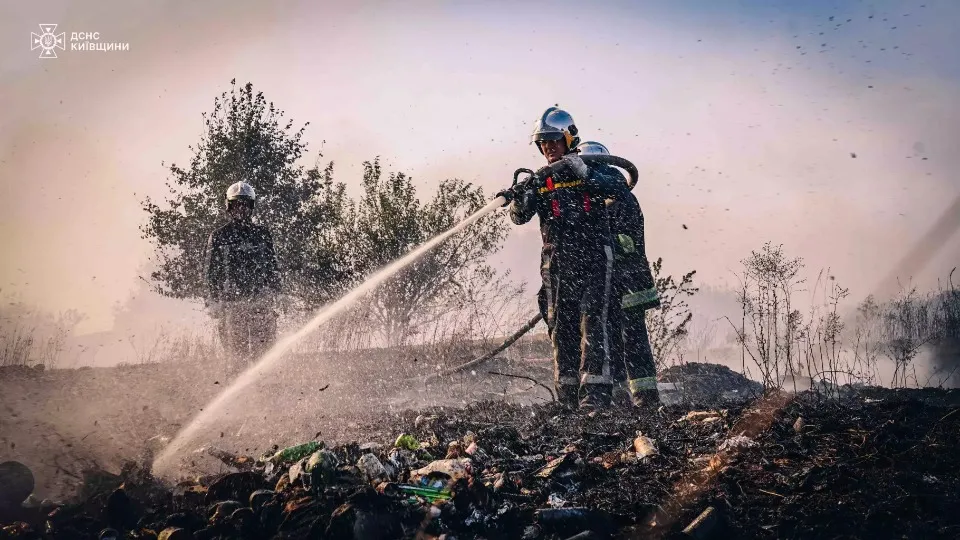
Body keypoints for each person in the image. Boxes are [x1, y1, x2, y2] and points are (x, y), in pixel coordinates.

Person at [498, 107, 630, 409]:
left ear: (569, 138)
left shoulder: (595, 169)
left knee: (593, 325)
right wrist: (520, 198)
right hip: (556, 264)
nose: (548, 148)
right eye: (542, 143)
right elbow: (520, 218)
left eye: (553, 141)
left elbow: (619, 187)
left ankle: (594, 398)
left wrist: (584, 173)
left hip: (594, 259)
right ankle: (567, 398)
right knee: (561, 327)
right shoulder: (542, 180)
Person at [576, 141, 661, 408]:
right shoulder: (601, 199)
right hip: (614, 282)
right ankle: (623, 395)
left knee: (632, 338)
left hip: (628, 282)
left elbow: (624, 241)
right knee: (612, 338)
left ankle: (645, 397)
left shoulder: (620, 199)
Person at [205, 181, 281, 375]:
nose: (241, 209)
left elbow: (272, 267)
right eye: (237, 204)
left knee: (264, 352)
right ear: (229, 206)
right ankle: (239, 393)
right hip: (232, 304)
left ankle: (265, 386)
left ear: (251, 207)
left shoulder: (262, 234)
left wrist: (278, 294)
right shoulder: (219, 236)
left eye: (245, 205)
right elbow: (211, 272)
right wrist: (212, 301)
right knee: (235, 354)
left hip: (261, 302)